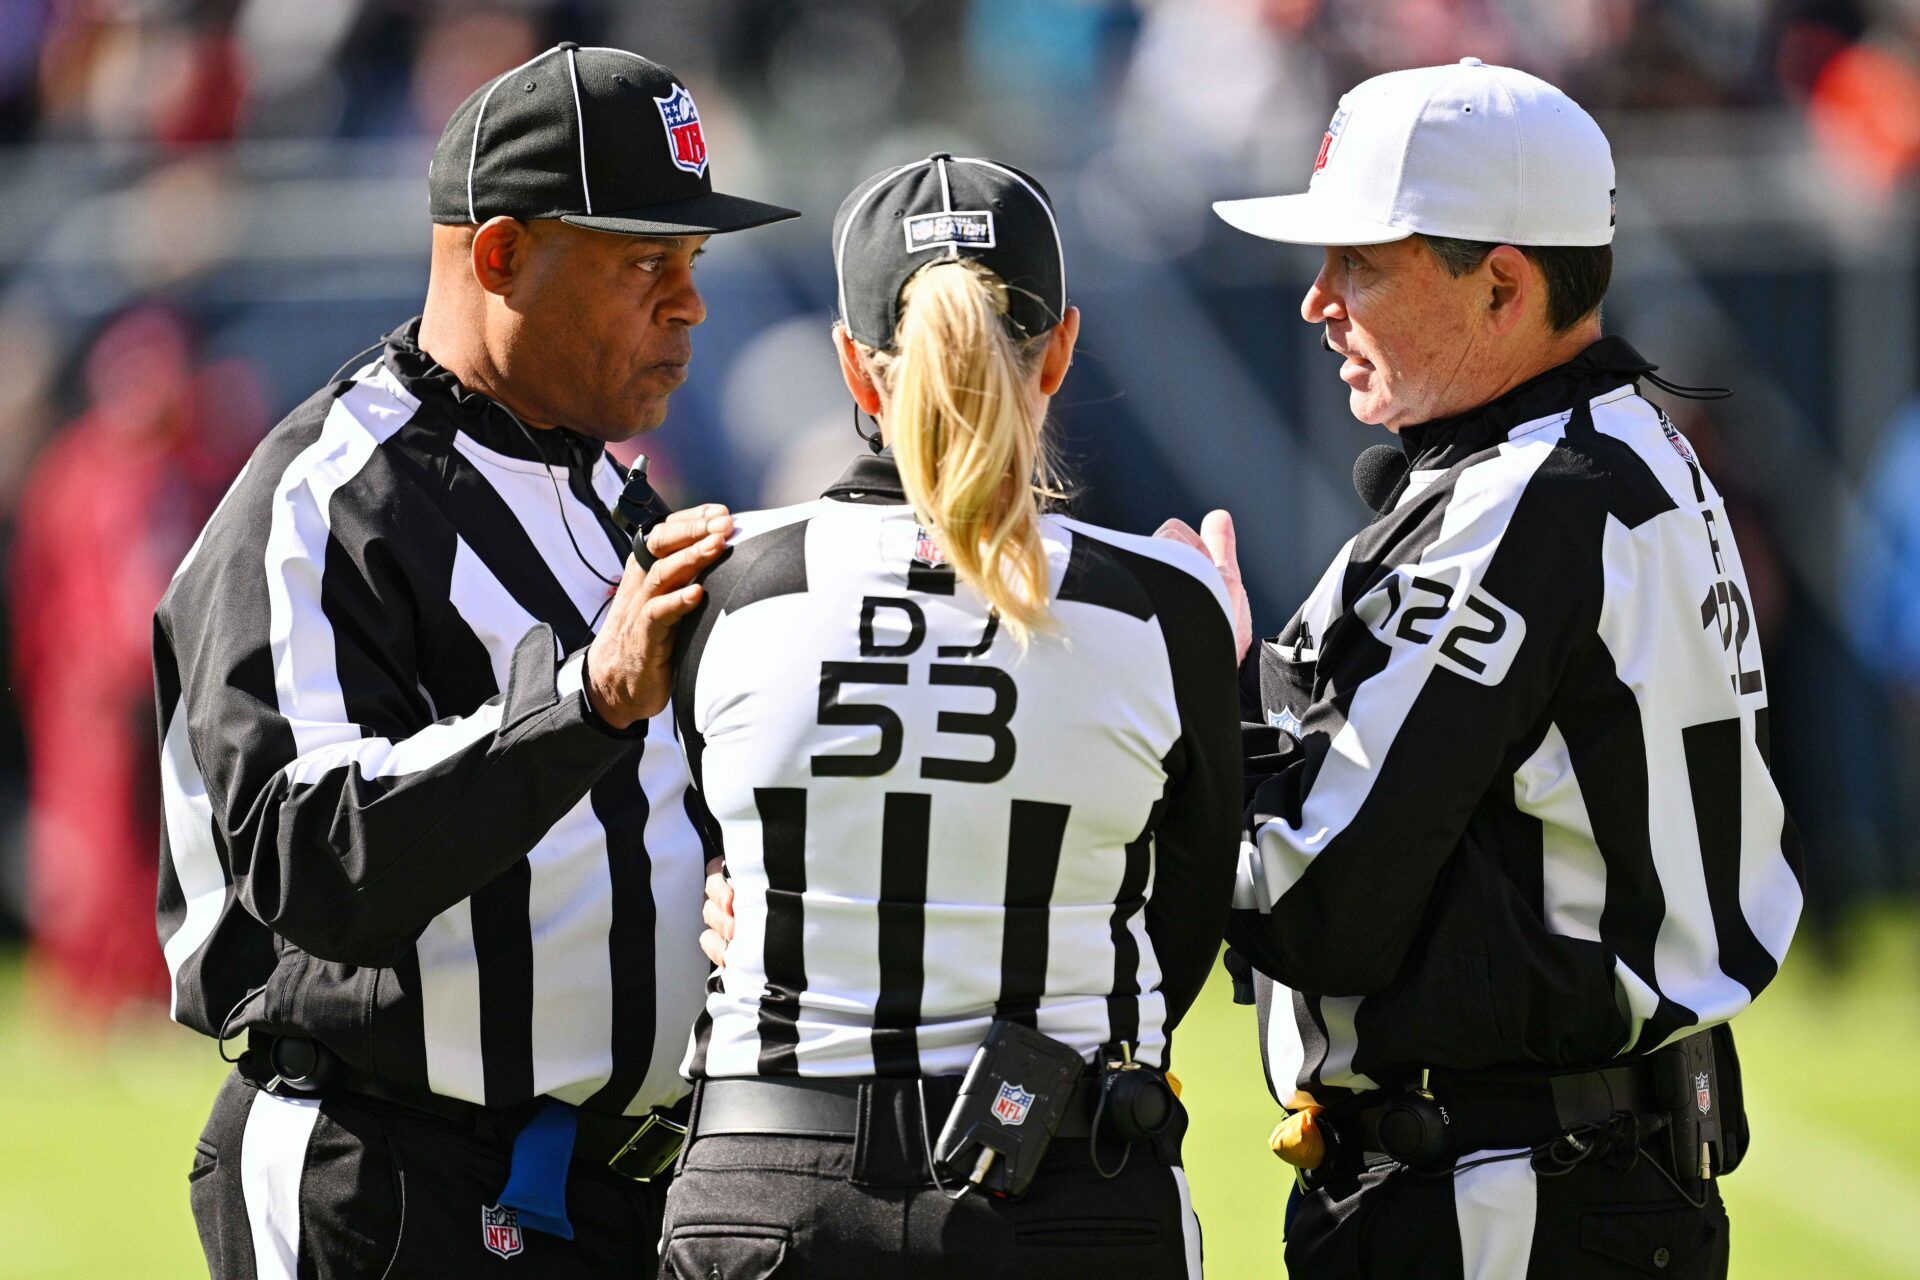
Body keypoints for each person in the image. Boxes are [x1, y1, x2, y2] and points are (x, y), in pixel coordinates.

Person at [153, 44, 797, 1278]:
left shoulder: (598, 483)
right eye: (644, 261)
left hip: (605, 1188)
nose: (689, 302)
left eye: (695, 262)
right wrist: (584, 700)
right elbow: (309, 859)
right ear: (500, 254)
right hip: (394, 1183)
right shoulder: (326, 497)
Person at [1193, 59, 1803, 1279]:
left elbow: (1315, 903)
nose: (1319, 301)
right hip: (1578, 1172)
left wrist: (1189, 699)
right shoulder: (1628, 455)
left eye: (1360, 260)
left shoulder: (1525, 503)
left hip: (1502, 1196)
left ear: (1502, 285)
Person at [658, 153, 1240, 1278]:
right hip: (1063, 1184)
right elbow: (1185, 925)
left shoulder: (720, 577)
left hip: (766, 1184)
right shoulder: (1162, 607)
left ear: (854, 370)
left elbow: (691, 867)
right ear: (1060, 350)